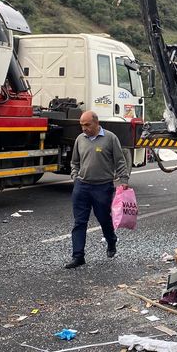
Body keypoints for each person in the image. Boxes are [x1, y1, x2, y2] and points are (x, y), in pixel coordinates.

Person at [65, 110, 130, 269]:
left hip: (103, 187)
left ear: (96, 122)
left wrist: (124, 180)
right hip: (82, 186)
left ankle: (111, 241)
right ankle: (78, 256)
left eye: (87, 125)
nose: (84, 128)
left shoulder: (110, 138)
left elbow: (120, 161)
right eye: (81, 125)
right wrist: (75, 176)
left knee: (103, 219)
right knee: (80, 222)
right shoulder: (80, 139)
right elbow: (74, 161)